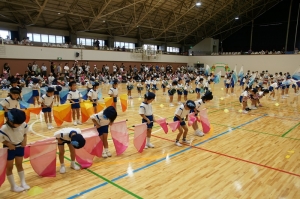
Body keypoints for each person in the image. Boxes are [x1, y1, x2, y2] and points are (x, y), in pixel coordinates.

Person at [0, 109, 30, 192]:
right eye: (18, 124)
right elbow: (1, 139)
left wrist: (24, 140)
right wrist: (9, 144)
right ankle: (13, 186)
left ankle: (23, 182)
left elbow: (25, 132)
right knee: (9, 167)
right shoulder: (4, 128)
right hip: (9, 149)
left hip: (20, 147)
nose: (20, 125)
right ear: (10, 121)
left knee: (19, 164)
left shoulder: (22, 124)